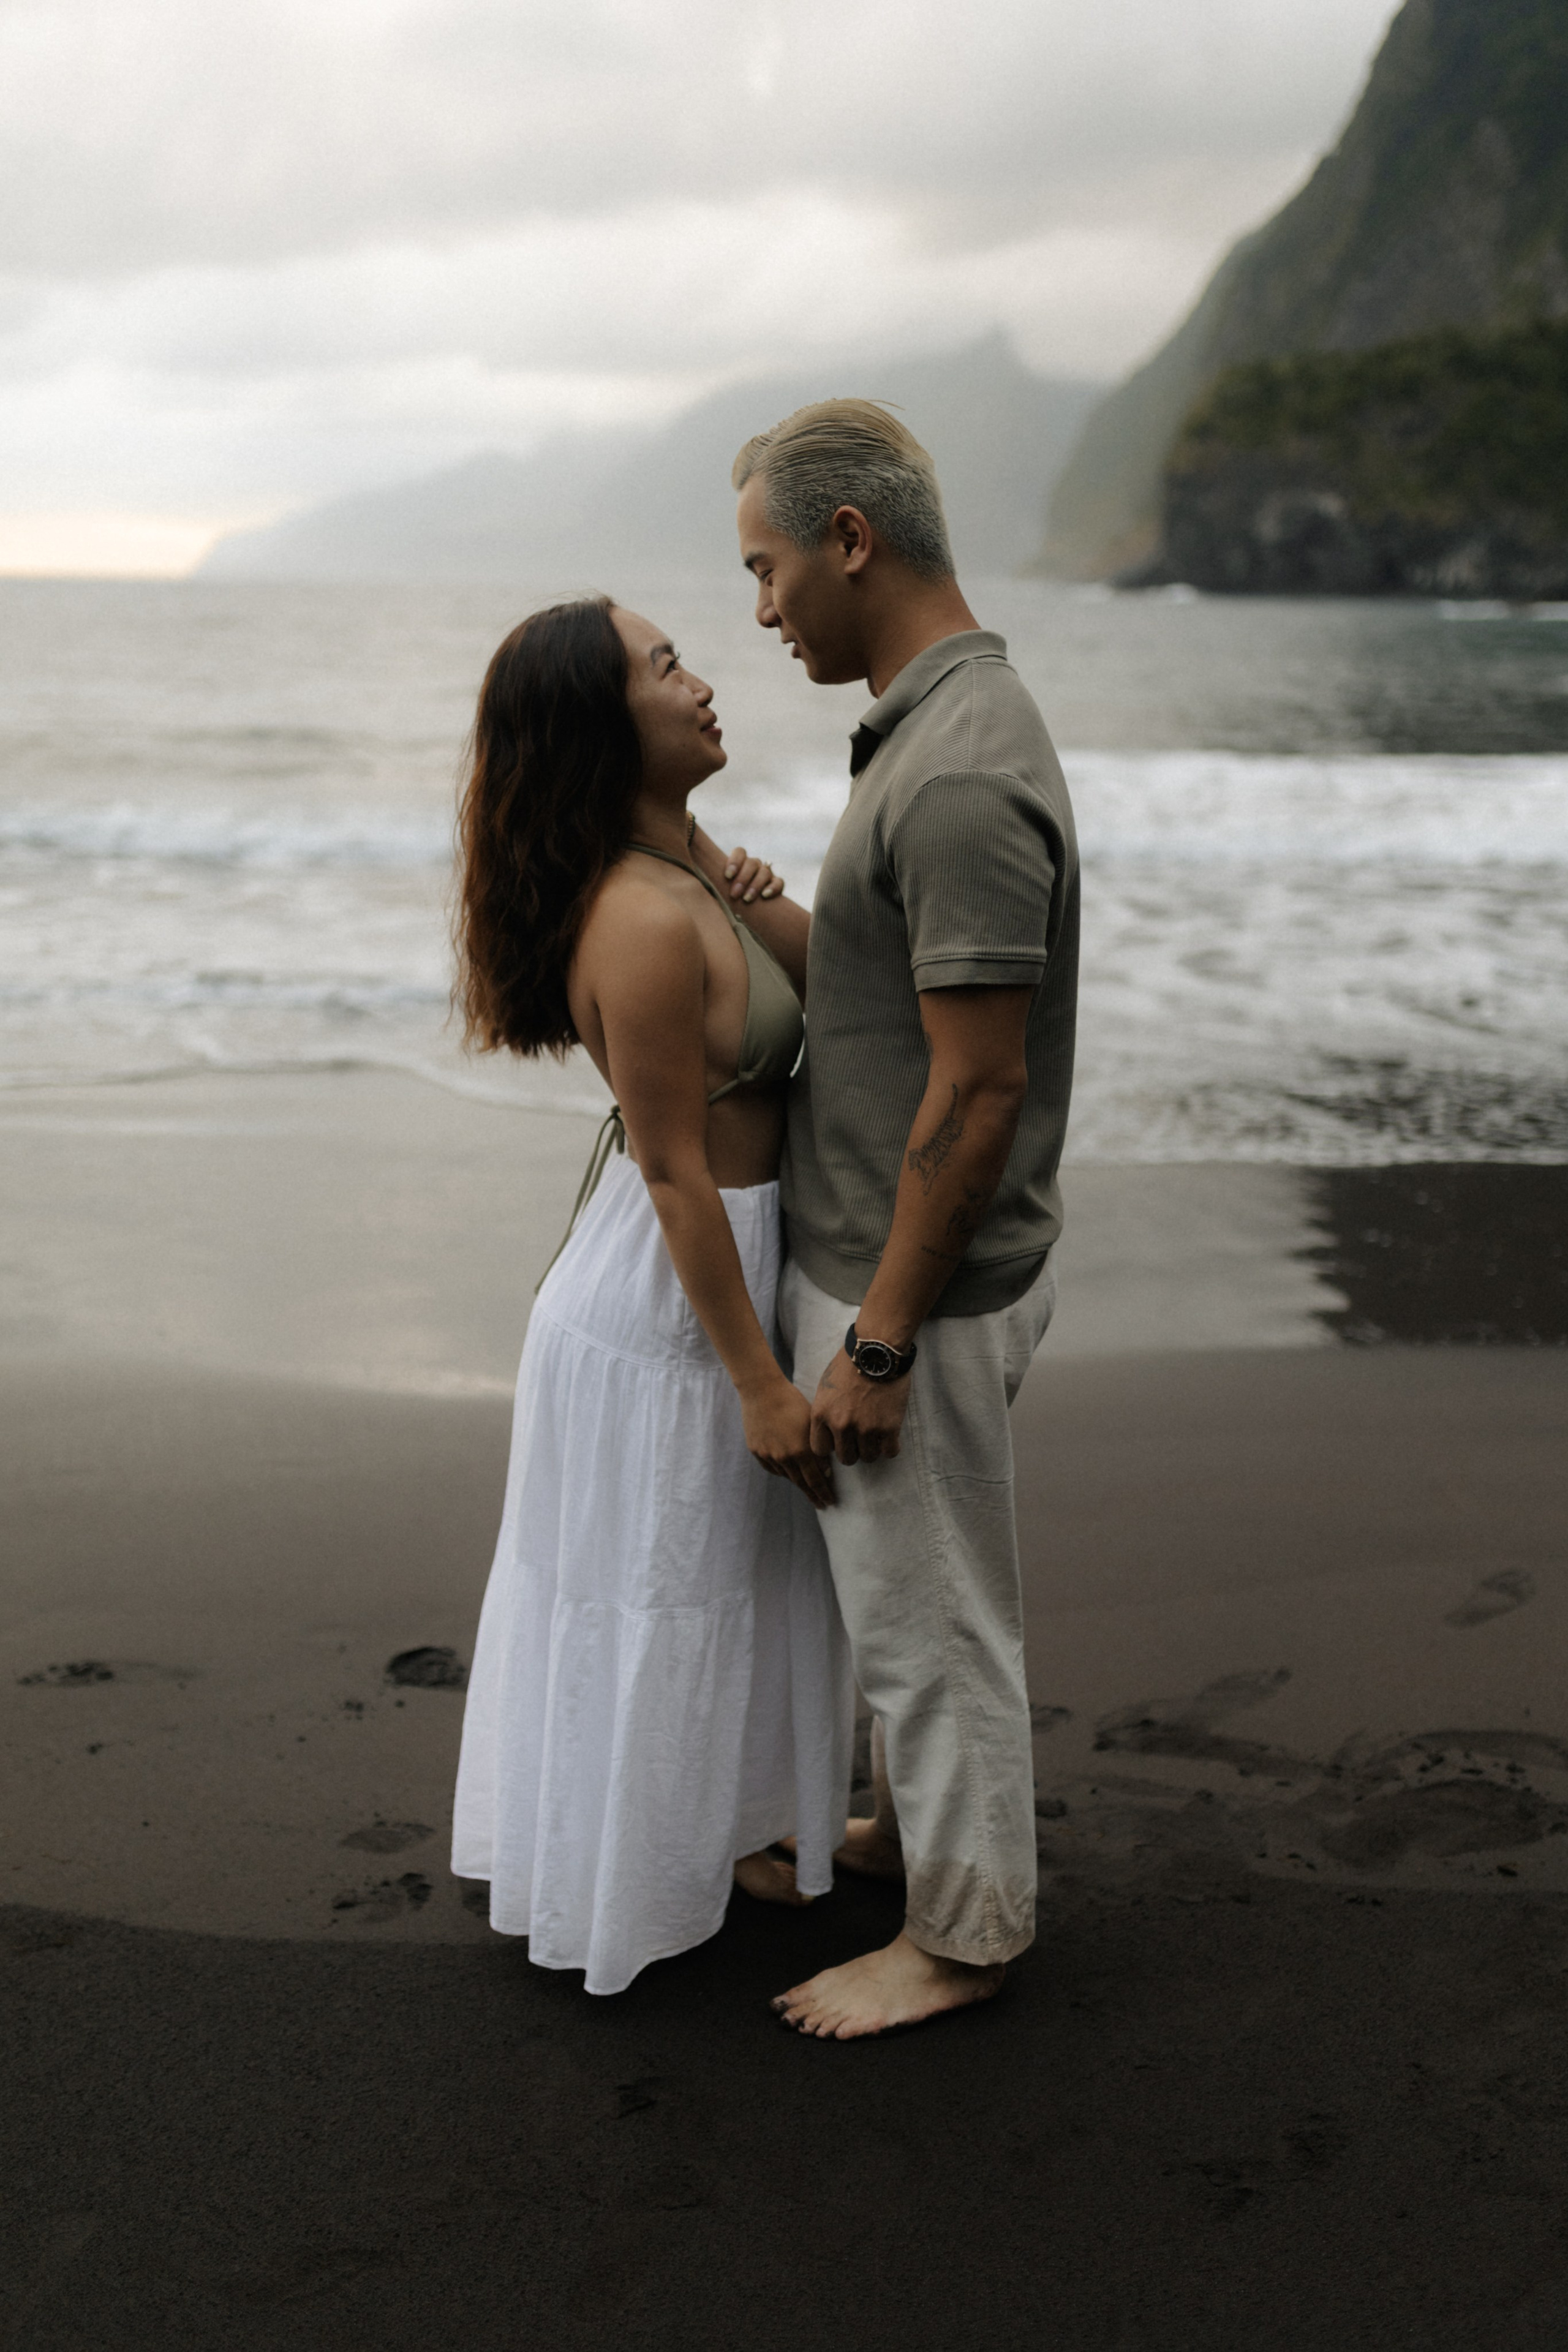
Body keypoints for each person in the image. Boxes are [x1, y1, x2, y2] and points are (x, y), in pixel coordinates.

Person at [730, 399, 1080, 2038]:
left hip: (911, 1287)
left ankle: (962, 1933)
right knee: (906, 1595)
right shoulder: (931, 730)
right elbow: (888, 1004)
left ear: (849, 541)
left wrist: (874, 1335)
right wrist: (757, 905)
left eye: (769, 566)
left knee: (936, 1608)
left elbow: (978, 1091)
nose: (763, 609)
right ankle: (919, 1840)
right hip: (894, 1262)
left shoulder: (957, 768)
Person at [448, 595, 853, 1997]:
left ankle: (729, 1831)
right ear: (598, 726)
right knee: (659, 1581)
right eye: (664, 666)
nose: (701, 682)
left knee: (720, 1574)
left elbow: (847, 993)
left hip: (715, 1270)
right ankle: (626, 1877)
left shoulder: (678, 867)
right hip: (666, 1296)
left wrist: (748, 886)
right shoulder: (631, 917)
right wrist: (755, 1381)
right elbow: (677, 1171)